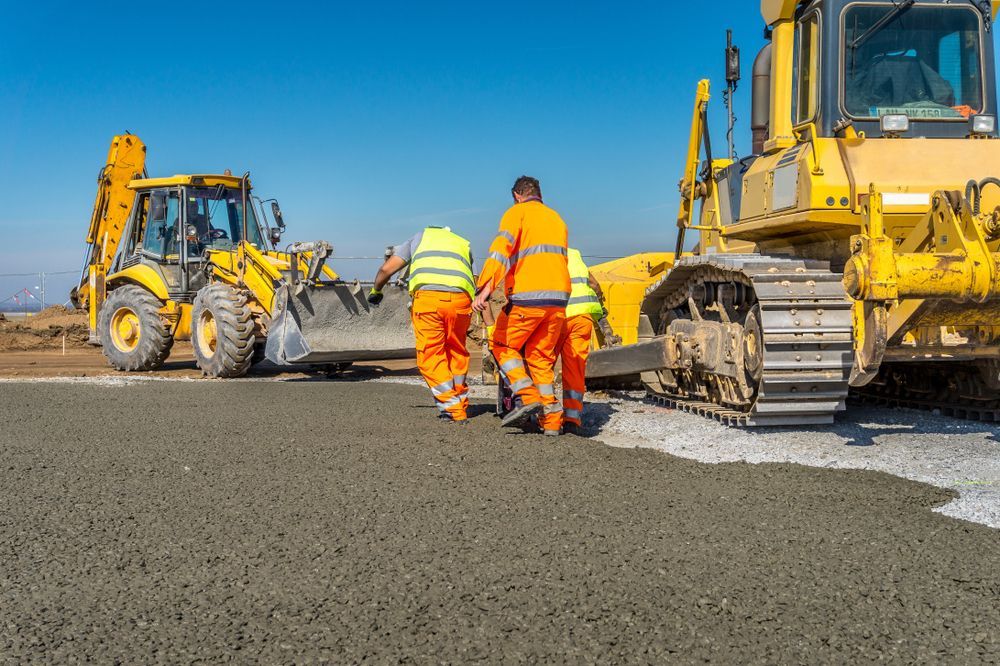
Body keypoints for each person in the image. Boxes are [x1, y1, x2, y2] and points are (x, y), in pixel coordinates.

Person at [473, 176, 570, 436]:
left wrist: (484, 288)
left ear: (517, 195)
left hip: (529, 297)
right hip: (558, 301)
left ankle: (527, 397)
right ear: (538, 193)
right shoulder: (556, 219)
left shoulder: (517, 214)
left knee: (502, 345)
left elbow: (500, 251)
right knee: (540, 359)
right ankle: (551, 423)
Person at [368, 226, 475, 422]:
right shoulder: (462, 242)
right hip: (462, 301)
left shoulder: (419, 238)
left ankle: (452, 408)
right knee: (456, 350)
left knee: (431, 354)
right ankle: (459, 400)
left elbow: (386, 269)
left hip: (430, 300)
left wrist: (376, 291)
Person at [558, 248, 605, 435]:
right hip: (581, 318)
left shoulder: (542, 254)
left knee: (542, 364)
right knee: (575, 365)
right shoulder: (575, 255)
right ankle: (572, 419)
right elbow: (595, 285)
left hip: (556, 316)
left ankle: (547, 418)